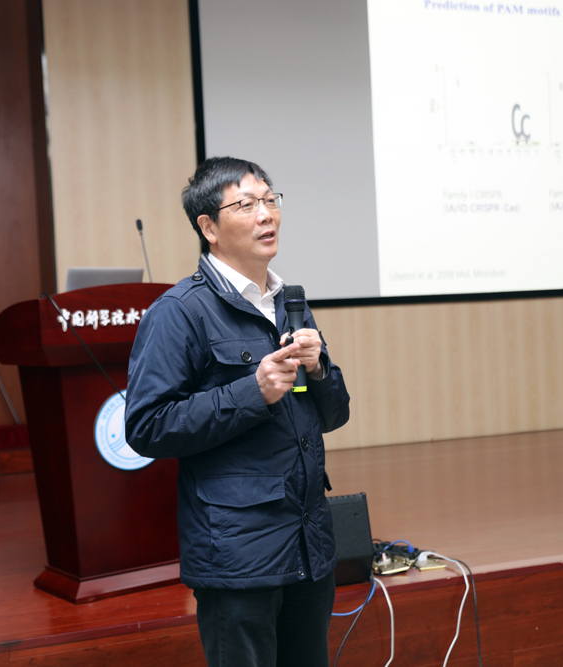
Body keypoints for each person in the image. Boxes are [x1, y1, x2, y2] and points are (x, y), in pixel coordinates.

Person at [125, 156, 351, 667]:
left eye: (270, 200)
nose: (266, 214)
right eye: (246, 205)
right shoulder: (179, 312)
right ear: (209, 227)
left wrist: (318, 369)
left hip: (308, 544)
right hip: (237, 556)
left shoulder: (290, 302)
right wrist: (252, 392)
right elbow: (146, 426)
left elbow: (334, 416)